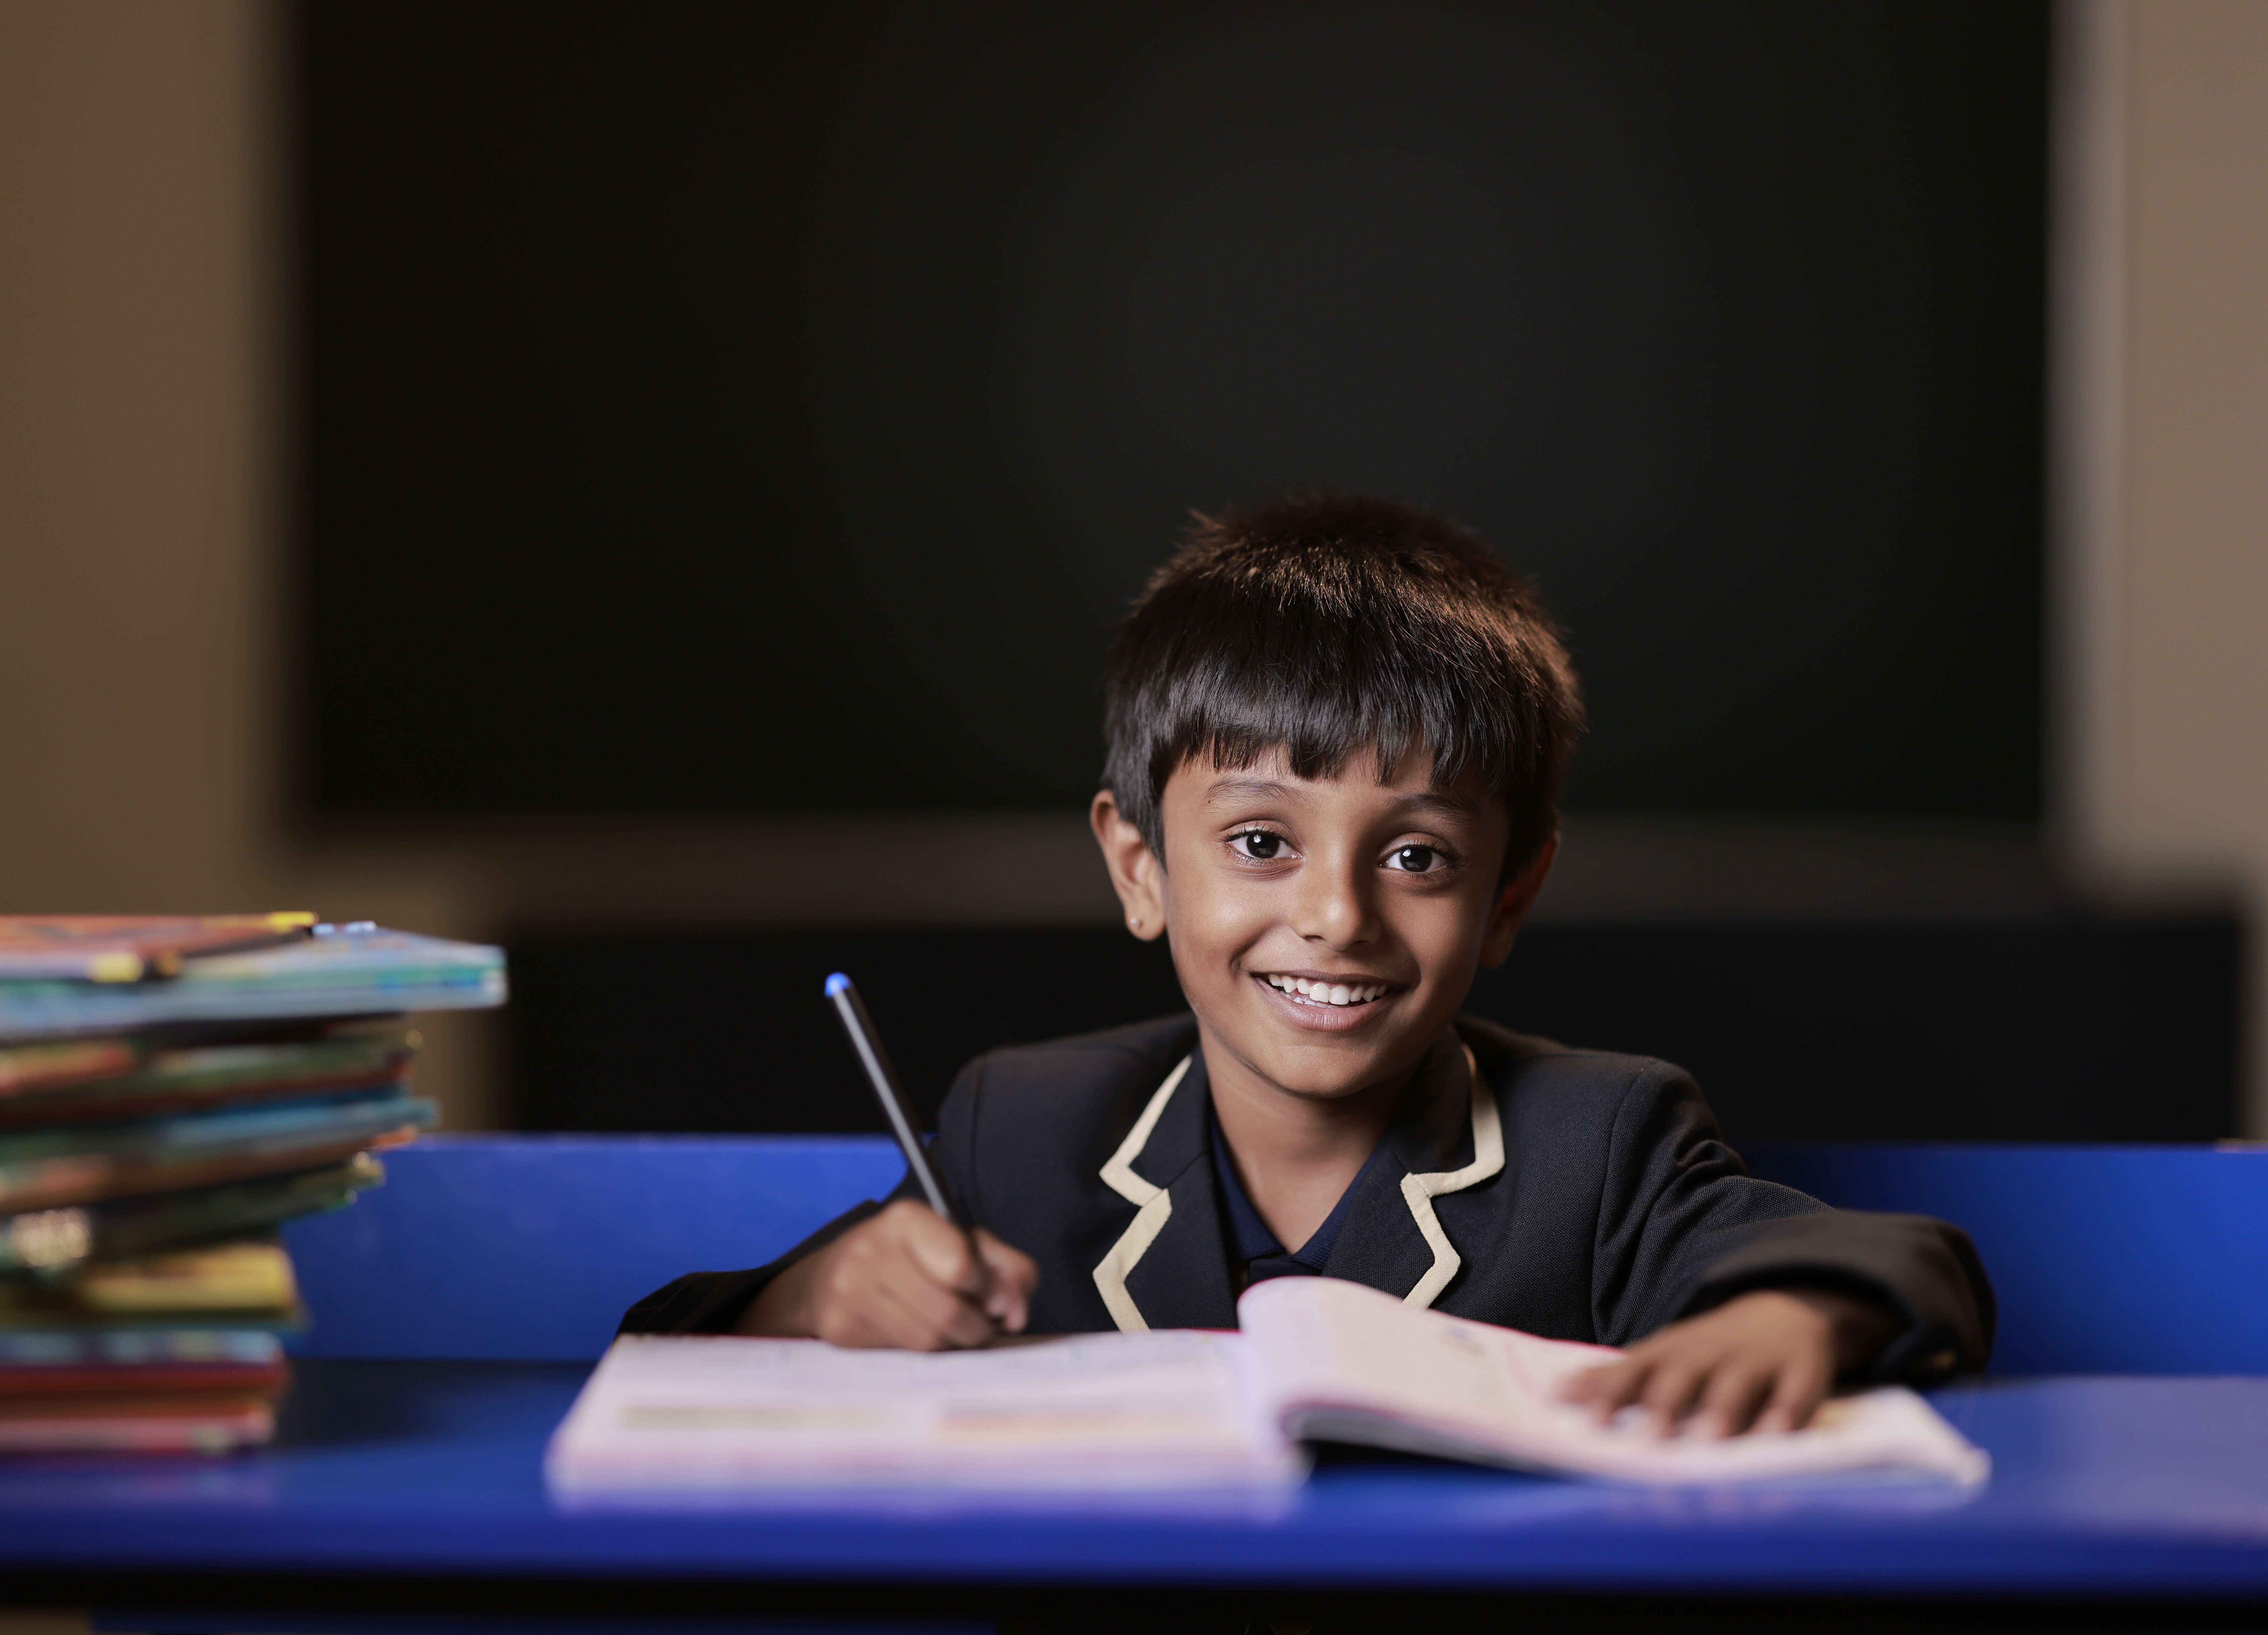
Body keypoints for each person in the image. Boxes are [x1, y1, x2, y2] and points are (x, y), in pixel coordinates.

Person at [623, 493, 1994, 1438]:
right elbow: (663, 1349)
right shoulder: (1020, 1129)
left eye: (1417, 859)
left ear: (1513, 890)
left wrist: (1791, 1317)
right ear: (1139, 867)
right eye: (1263, 840)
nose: (1336, 916)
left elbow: (1898, 1259)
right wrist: (813, 1301)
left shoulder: (1600, 1143)